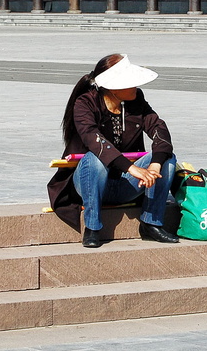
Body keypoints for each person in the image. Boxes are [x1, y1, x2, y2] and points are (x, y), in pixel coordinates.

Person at [47, 53, 179, 247]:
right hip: (88, 183)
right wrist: (132, 168)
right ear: (113, 87)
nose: (136, 87)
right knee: (94, 160)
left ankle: (151, 223)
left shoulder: (136, 100)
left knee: (168, 159)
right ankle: (92, 228)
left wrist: (155, 165)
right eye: (130, 83)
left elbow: (159, 128)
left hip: (127, 185)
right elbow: (94, 140)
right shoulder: (85, 103)